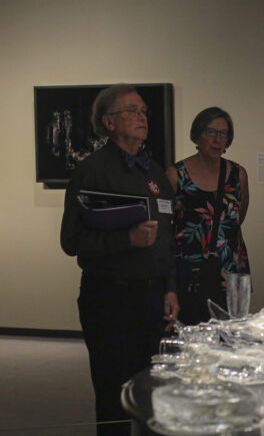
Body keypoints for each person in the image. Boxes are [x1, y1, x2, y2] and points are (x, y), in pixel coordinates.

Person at [60, 84, 179, 435]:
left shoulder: (155, 173)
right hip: (110, 300)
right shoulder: (91, 172)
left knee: (153, 393)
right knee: (114, 397)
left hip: (153, 299)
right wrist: (126, 238)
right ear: (108, 122)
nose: (142, 117)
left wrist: (170, 287)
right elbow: (71, 242)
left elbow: (168, 238)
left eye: (144, 112)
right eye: (132, 111)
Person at [166, 107, 250, 324]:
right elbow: (166, 228)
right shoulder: (176, 175)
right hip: (189, 274)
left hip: (231, 272)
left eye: (223, 134)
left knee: (231, 341)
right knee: (191, 340)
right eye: (211, 132)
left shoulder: (237, 174)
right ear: (197, 135)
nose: (217, 140)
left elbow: (237, 218)